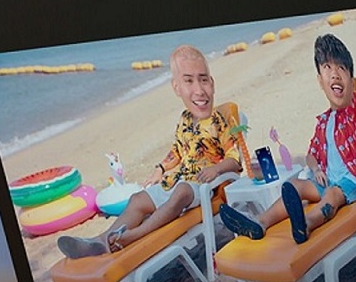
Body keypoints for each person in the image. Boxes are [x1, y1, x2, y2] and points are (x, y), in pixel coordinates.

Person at [61, 44, 262, 254]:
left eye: (203, 80)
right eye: (188, 81)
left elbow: (234, 159)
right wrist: (160, 169)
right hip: (178, 181)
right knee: (138, 199)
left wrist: (216, 169)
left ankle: (133, 235)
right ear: (177, 88)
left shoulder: (220, 120)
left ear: (212, 84)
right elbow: (178, 150)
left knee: (181, 192)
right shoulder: (185, 119)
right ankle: (101, 241)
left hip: (204, 186)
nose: (199, 89)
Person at [236, 34, 356, 244]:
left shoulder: (352, 110)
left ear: (352, 82)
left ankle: (306, 224)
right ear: (320, 81)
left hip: (352, 181)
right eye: (328, 68)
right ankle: (260, 223)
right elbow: (311, 154)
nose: (335, 74)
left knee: (332, 194)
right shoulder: (324, 122)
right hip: (327, 179)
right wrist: (316, 169)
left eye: (342, 69)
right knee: (295, 185)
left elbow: (347, 96)